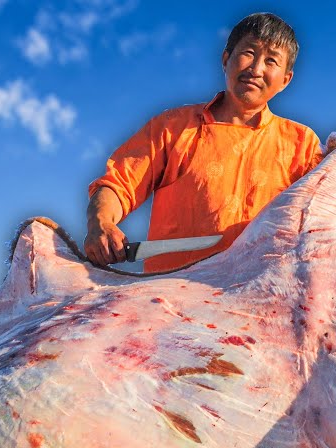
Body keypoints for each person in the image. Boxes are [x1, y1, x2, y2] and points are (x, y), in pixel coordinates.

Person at [84, 12, 322, 272]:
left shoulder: (302, 143)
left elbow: (327, 219)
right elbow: (119, 184)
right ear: (225, 59)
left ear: (285, 80)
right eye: (249, 53)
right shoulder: (172, 127)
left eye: (271, 60)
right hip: (168, 300)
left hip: (261, 298)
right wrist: (101, 223)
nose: (256, 69)